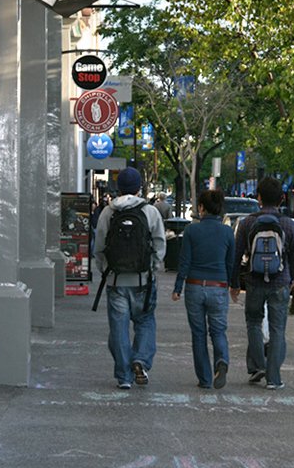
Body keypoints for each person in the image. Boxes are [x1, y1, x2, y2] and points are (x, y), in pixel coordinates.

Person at [94, 167, 166, 389]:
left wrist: (105, 269)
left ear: (118, 187)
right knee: (144, 322)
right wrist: (152, 268)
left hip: (116, 280)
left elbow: (99, 247)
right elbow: (159, 244)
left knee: (119, 328)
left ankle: (124, 376)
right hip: (143, 279)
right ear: (139, 188)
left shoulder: (108, 212)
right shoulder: (150, 211)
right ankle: (140, 361)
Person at [230, 176, 294, 390]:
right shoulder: (288, 224)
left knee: (253, 323)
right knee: (278, 329)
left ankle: (258, 366)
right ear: (281, 198)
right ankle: (274, 378)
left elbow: (236, 255)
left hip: (253, 281)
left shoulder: (247, 222)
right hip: (280, 282)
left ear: (258, 197)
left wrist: (235, 282)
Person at [172, 189, 235, 389]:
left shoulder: (191, 230)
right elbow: (230, 263)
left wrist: (178, 286)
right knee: (218, 330)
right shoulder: (227, 232)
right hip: (218, 286)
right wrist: (232, 285)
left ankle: (205, 379)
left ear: (201, 208)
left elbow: (184, 261)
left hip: (195, 285)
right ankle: (221, 361)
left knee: (198, 333)